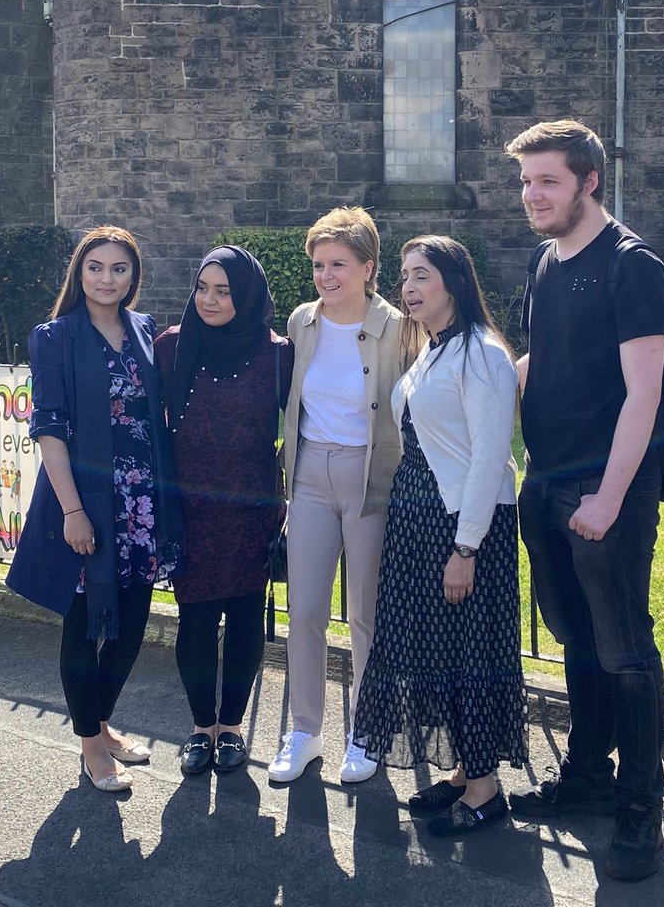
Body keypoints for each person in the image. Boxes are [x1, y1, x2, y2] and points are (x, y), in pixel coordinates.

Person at [504, 120, 664, 880]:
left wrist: (607, 497)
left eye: (548, 180)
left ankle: (640, 810)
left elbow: (644, 393)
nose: (532, 195)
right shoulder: (545, 260)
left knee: (625, 651)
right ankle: (587, 777)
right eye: (526, 181)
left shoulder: (632, 267)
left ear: (589, 181)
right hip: (545, 481)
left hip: (606, 490)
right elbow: (548, 356)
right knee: (577, 640)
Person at [353, 236, 527, 835]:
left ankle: (485, 791)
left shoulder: (483, 354)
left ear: (454, 281)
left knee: (469, 653)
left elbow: (489, 459)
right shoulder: (433, 348)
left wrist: (465, 548)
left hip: (461, 526)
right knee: (438, 653)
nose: (409, 287)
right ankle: (463, 772)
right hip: (419, 521)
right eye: (405, 276)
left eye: (422, 275)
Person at [6, 226, 182, 793]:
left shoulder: (143, 328)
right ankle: (89, 744)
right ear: (79, 272)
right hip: (89, 501)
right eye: (96, 267)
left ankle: (102, 724)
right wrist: (72, 512)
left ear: (133, 277)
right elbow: (50, 429)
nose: (107, 278)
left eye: (119, 268)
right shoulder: (54, 337)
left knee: (130, 628)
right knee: (85, 628)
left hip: (141, 505)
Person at [267, 206, 403, 784]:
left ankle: (367, 731)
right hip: (309, 476)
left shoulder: (399, 327)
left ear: (368, 267)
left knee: (365, 613)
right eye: (319, 264)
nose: (325, 276)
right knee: (305, 611)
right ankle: (305, 731)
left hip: (370, 476)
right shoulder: (303, 321)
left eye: (338, 264)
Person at [154, 246, 293, 775]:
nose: (208, 300)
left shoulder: (278, 355)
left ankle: (231, 728)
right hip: (190, 506)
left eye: (224, 291)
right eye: (202, 288)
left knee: (244, 618)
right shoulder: (172, 346)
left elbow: (304, 424)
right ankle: (200, 728)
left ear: (248, 296)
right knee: (194, 617)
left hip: (250, 507)